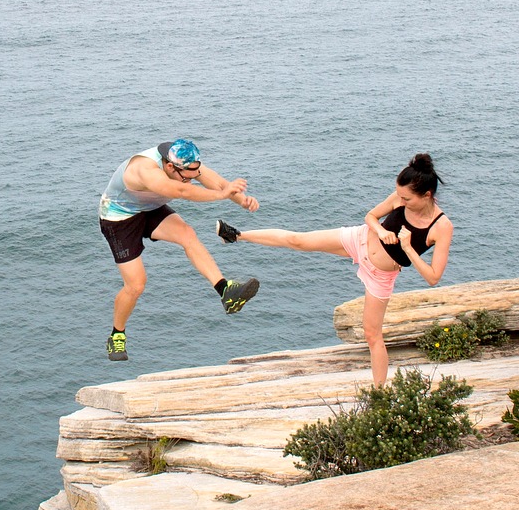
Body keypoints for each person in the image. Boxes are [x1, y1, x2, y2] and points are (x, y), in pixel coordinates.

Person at [215, 153, 452, 386]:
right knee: (298, 240)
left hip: (380, 275)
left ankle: (380, 394)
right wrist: (381, 231)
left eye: (407, 199)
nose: (401, 201)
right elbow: (371, 216)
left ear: (427, 195)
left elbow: (433, 277)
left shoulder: (441, 227)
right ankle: (236, 235)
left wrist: (408, 248)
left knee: (372, 335)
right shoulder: (400, 197)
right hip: (360, 239)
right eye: (399, 196)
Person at [99, 139, 262, 361]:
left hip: (150, 208)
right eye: (187, 176)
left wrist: (242, 200)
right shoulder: (145, 171)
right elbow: (181, 190)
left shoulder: (184, 160)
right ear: (169, 167)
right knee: (136, 285)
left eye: (195, 174)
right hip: (119, 218)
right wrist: (221, 195)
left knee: (187, 234)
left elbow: (217, 183)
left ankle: (225, 291)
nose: (192, 179)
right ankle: (117, 334)